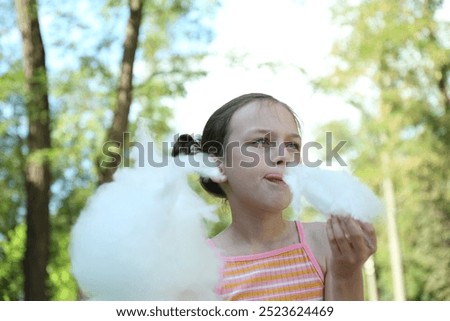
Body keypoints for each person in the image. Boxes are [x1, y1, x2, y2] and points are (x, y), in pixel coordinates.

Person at [172, 93, 377, 301]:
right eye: (261, 142)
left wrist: (346, 273)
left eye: (292, 145)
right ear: (217, 166)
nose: (284, 156)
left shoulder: (326, 243)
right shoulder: (199, 270)